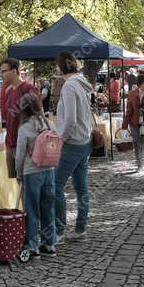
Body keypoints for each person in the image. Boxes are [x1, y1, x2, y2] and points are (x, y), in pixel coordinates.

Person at [53, 52, 95, 240]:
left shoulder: (69, 86)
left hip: (72, 142)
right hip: (84, 140)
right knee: (81, 186)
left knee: (55, 185)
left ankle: (59, 230)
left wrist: (59, 139)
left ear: (61, 67)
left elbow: (70, 119)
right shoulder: (81, 83)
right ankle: (80, 226)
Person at [15, 92, 57, 259]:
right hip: (49, 170)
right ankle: (49, 243)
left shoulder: (24, 128)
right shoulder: (49, 124)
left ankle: (33, 246)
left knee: (32, 209)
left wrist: (18, 173)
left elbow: (19, 155)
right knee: (48, 208)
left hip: (32, 172)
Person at [0, 58, 37, 179]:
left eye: (4, 71)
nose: (2, 75)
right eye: (1, 72)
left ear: (15, 71)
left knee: (26, 185)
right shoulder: (8, 90)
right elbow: (6, 116)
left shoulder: (27, 88)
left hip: (24, 144)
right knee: (17, 183)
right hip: (11, 142)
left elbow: (37, 110)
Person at [121, 74, 144, 172]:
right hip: (134, 122)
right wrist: (125, 125)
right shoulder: (132, 94)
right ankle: (139, 164)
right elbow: (129, 110)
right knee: (138, 143)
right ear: (139, 84)